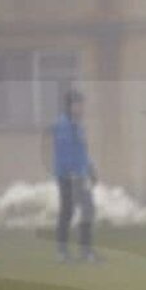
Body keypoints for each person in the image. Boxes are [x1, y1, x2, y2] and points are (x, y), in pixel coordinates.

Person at [50, 90, 98, 262]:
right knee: (68, 212)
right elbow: (64, 153)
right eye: (77, 104)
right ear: (69, 106)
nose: (81, 108)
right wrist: (71, 173)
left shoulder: (78, 125)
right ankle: (63, 252)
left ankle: (85, 251)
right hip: (68, 176)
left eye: (81, 104)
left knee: (87, 210)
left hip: (79, 175)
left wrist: (90, 169)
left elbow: (82, 151)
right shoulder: (63, 125)